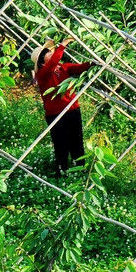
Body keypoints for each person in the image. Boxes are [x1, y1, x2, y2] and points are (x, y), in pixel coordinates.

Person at [31, 37, 95, 175]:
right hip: (55, 114)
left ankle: (80, 168)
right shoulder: (42, 74)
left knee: (76, 140)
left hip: (72, 109)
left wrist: (92, 63)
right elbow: (53, 62)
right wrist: (63, 45)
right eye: (47, 53)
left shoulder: (63, 67)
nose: (51, 53)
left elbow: (79, 68)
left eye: (50, 51)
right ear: (42, 61)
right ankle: (62, 169)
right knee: (61, 143)